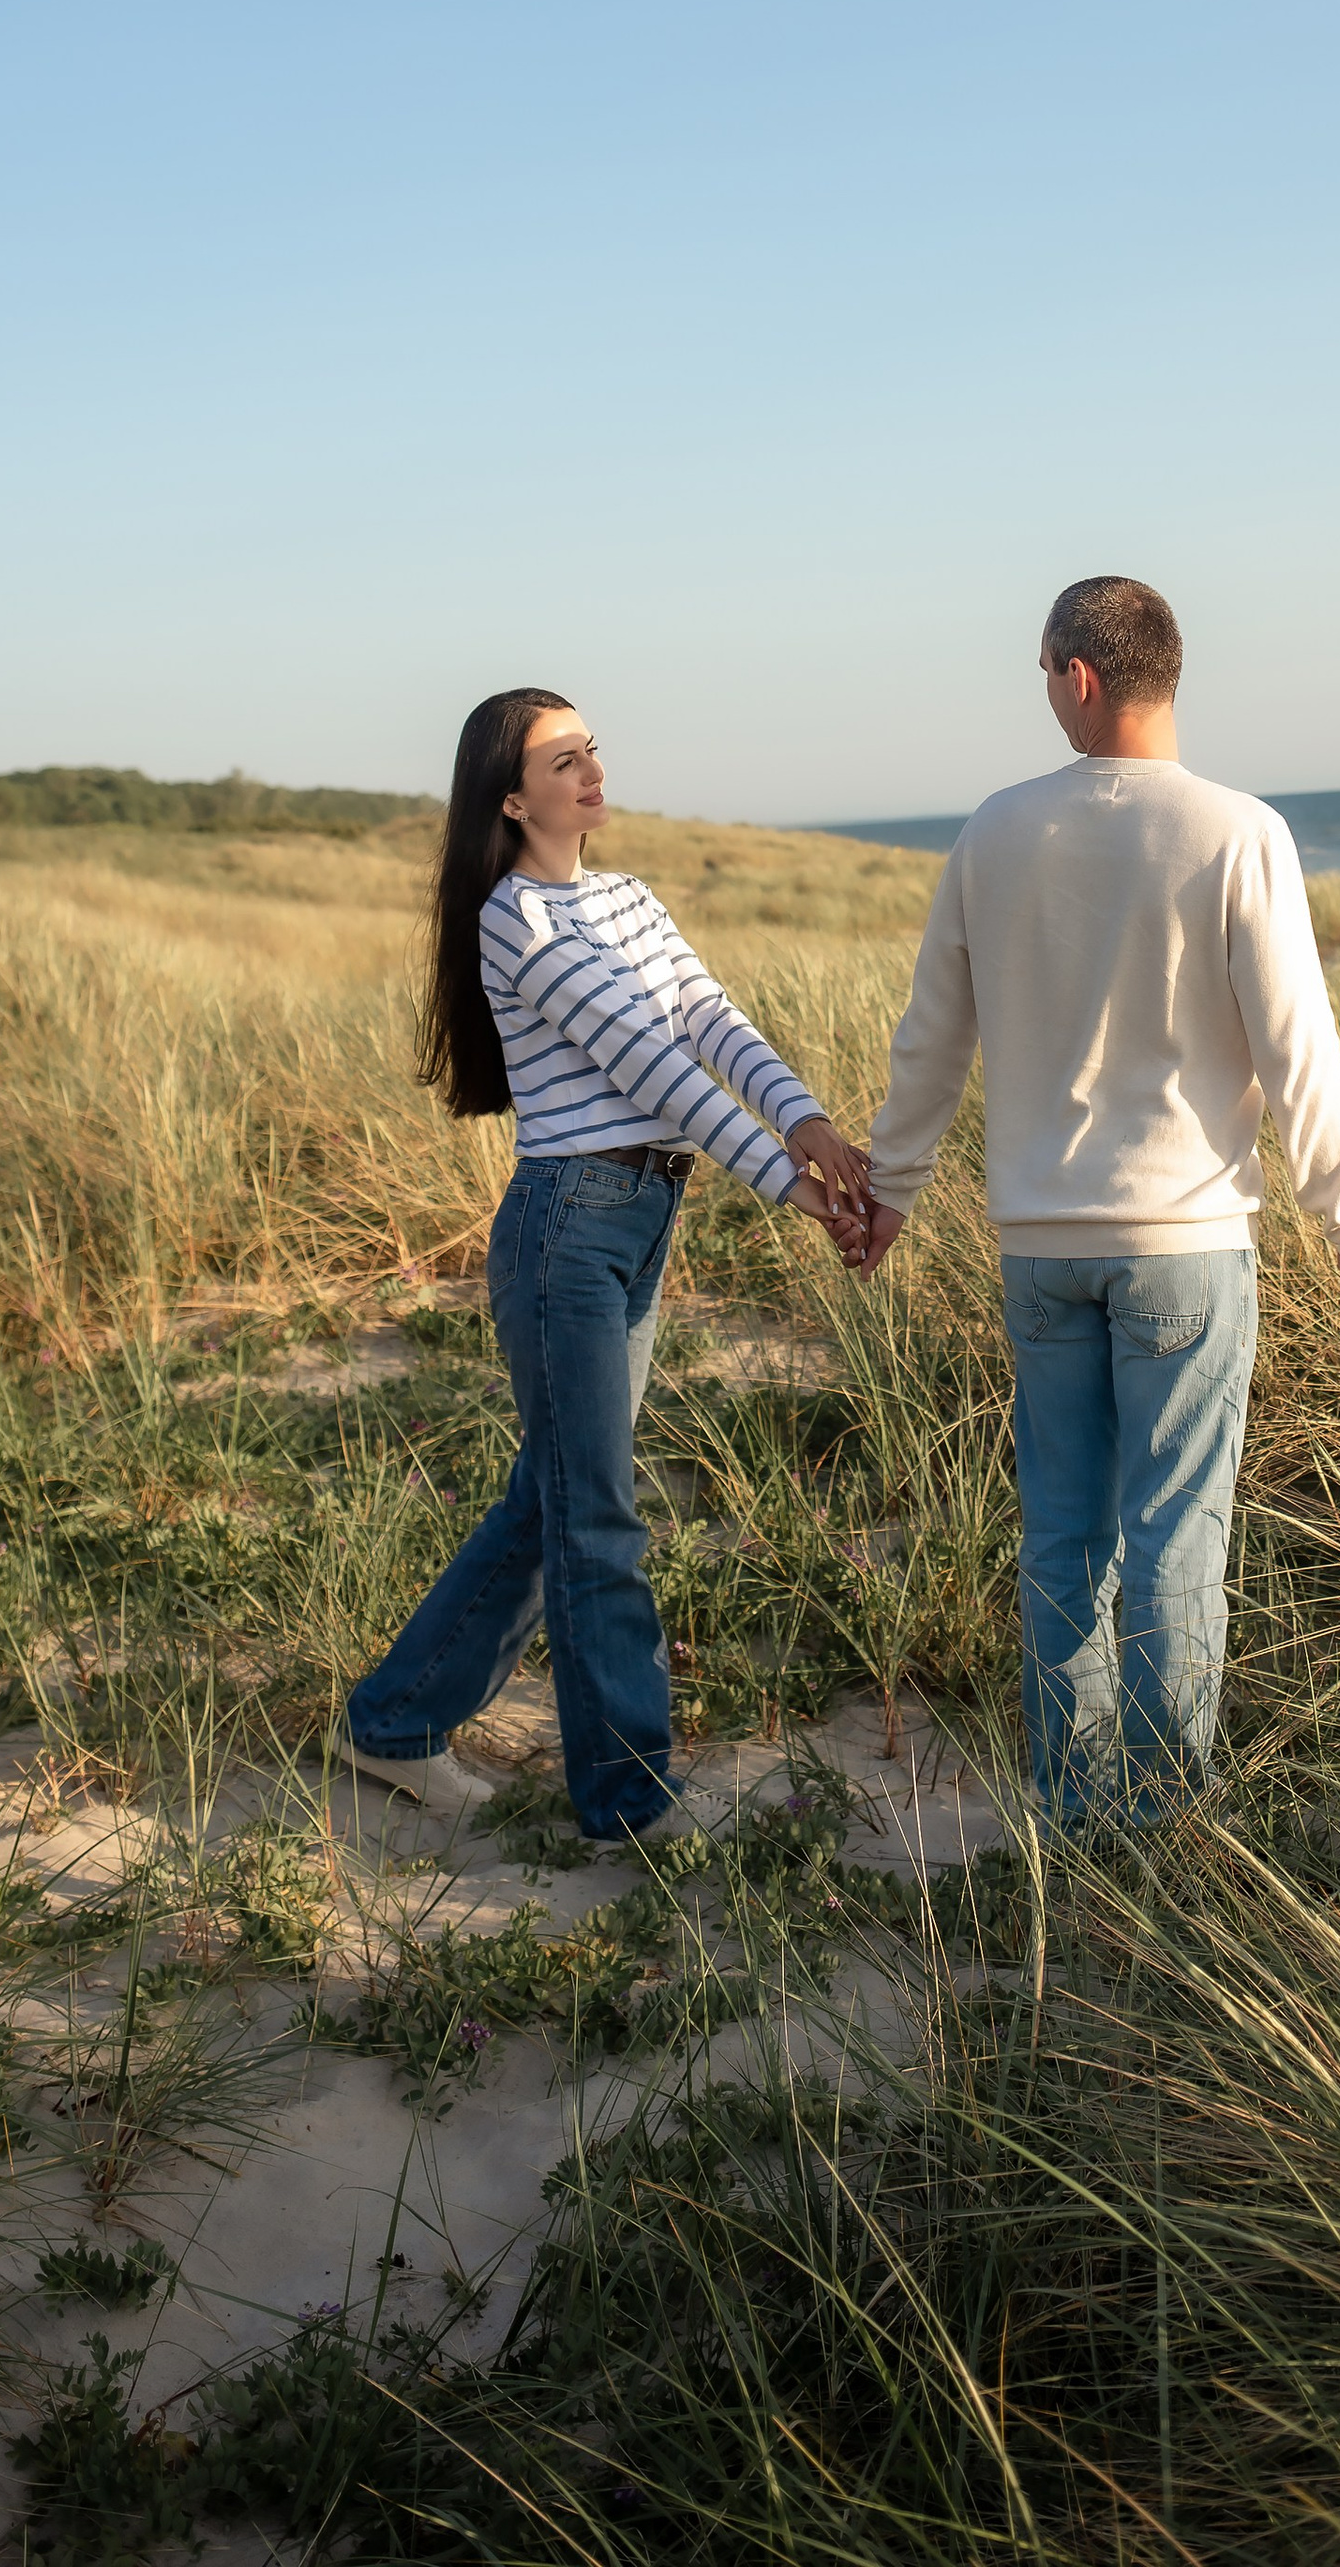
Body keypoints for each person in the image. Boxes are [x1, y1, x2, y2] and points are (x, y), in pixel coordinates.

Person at [853, 579, 1340, 1819]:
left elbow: (930, 1040)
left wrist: (892, 1189)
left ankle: (1075, 1801)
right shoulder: (1236, 830)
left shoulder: (995, 832)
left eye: (1044, 670)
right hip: (1184, 1242)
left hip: (1041, 1249)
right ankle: (1167, 1813)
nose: (1046, 692)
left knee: (1064, 1537)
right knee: (1173, 1535)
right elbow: (1293, 1048)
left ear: (1081, 675)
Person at [333, 687, 867, 1841]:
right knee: (599, 1518)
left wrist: (810, 1123)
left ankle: (390, 1724)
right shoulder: (515, 923)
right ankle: (629, 1801)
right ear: (512, 797)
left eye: (592, 749)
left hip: (640, 1217)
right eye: (560, 757)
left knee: (560, 1494)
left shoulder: (627, 899)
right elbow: (653, 1073)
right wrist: (789, 1188)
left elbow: (710, 1022)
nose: (589, 769)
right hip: (566, 1229)